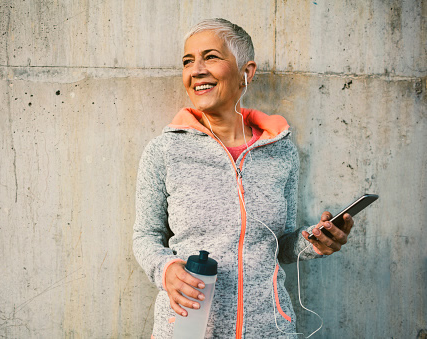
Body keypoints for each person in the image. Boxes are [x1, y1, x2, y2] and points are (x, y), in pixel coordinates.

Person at [133, 18, 354, 338]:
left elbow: (283, 247)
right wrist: (165, 270)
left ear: (246, 73)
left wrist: (317, 242)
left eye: (210, 57)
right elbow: (146, 236)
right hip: (187, 328)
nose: (196, 70)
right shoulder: (165, 150)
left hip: (270, 329)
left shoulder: (281, 152)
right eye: (187, 61)